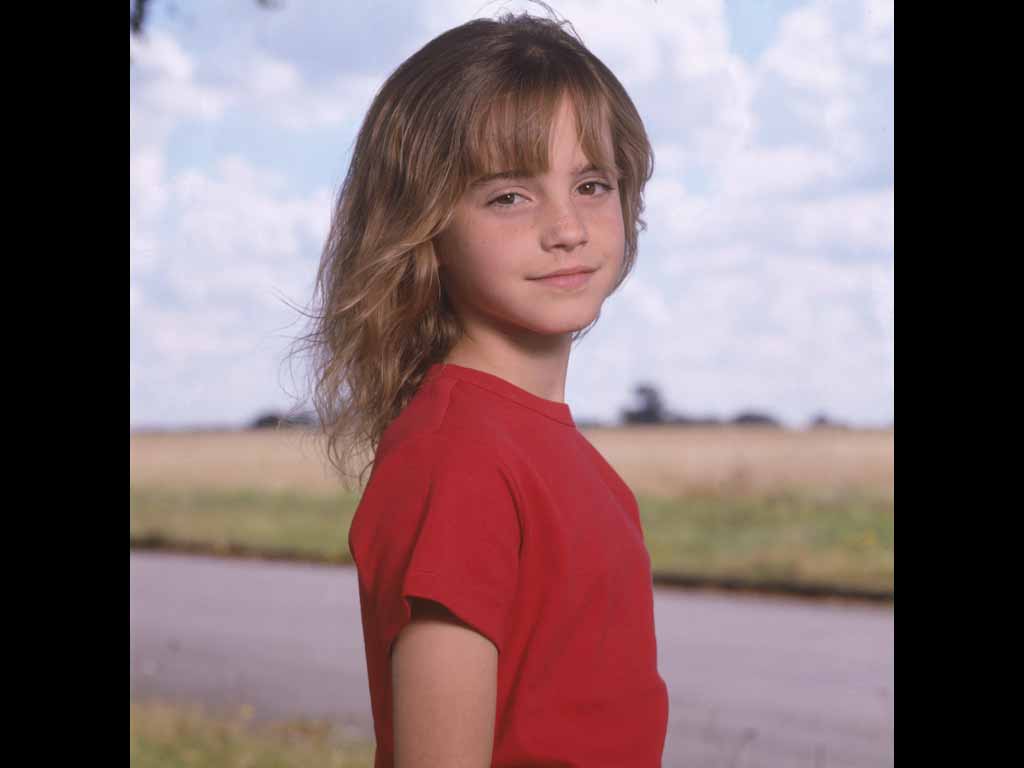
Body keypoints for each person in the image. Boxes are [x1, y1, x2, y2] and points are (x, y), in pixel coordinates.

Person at [299, 5, 667, 766]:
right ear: (423, 224)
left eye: (591, 184)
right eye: (509, 196)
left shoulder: (547, 451)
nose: (567, 228)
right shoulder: (459, 458)